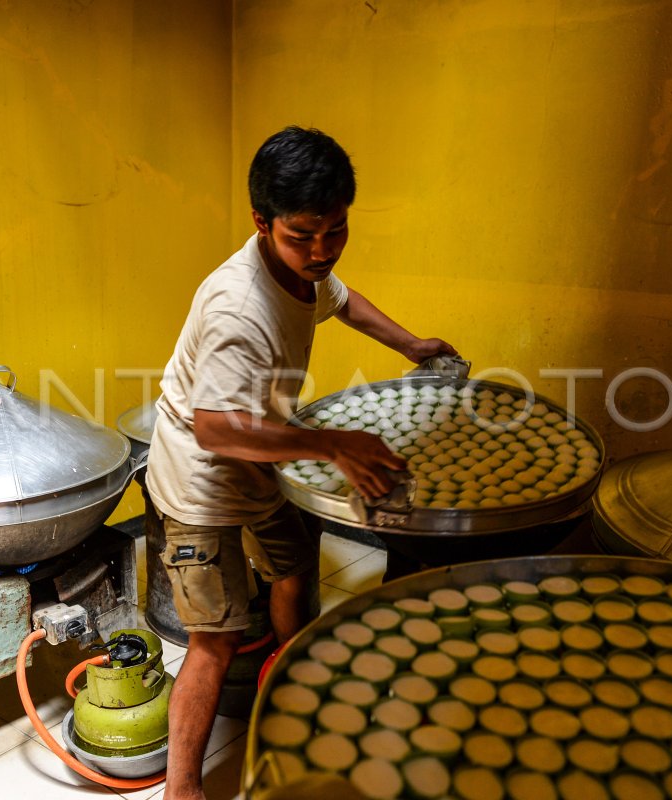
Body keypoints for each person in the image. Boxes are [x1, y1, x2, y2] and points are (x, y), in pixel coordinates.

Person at [144, 125, 457, 800]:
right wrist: (334, 444)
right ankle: (182, 790)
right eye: (303, 236)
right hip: (201, 480)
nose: (322, 252)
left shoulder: (303, 267)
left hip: (262, 449)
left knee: (292, 566)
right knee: (214, 640)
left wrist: (412, 345)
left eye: (335, 231)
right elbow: (215, 427)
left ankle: (292, 676)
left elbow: (340, 300)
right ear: (262, 223)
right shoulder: (239, 306)